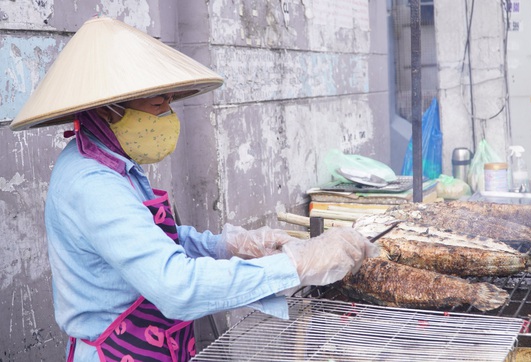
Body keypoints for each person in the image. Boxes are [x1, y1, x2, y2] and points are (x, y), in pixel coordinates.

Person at [11, 17, 378, 362]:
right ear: (110, 110)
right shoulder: (92, 184)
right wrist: (295, 266)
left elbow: (148, 239)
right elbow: (175, 287)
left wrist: (227, 245)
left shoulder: (111, 161)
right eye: (158, 104)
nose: (168, 117)